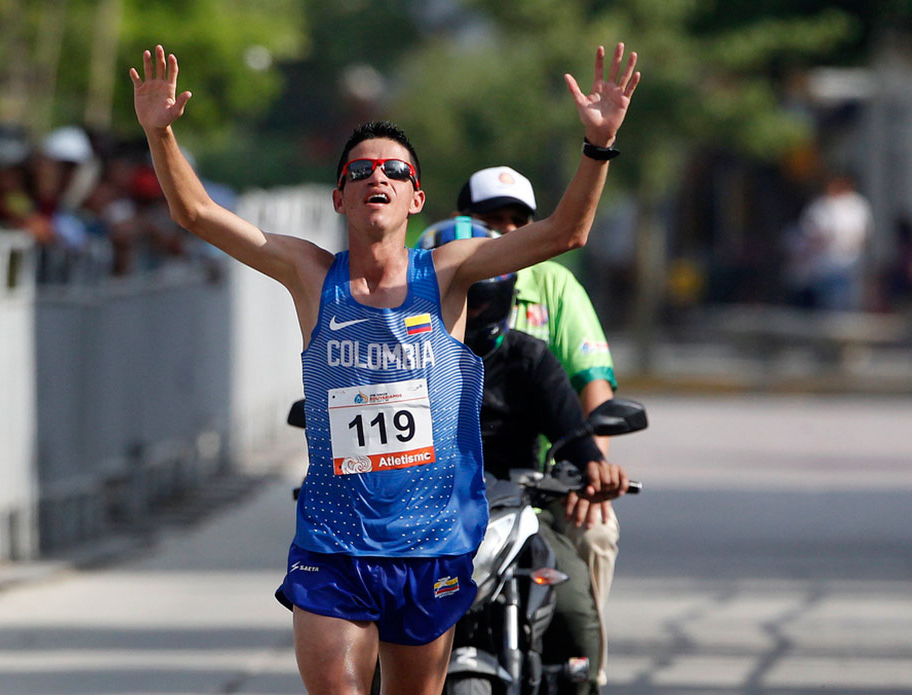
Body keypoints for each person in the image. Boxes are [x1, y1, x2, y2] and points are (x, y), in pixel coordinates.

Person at [130, 41, 639, 695]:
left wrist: (598, 145)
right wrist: (160, 133)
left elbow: (566, 232)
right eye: (362, 170)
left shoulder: (451, 273)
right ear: (340, 196)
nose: (379, 178)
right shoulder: (310, 274)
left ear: (416, 197)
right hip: (333, 544)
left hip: (430, 544)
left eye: (395, 171)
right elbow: (196, 213)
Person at [457, 165, 619, 688]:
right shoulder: (416, 299)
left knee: (592, 539)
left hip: (534, 490)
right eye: (489, 221)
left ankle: (583, 676)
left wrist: (592, 469)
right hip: (423, 495)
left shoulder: (549, 305)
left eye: (516, 222)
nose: (504, 233)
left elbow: (591, 386)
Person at [790, 172, 873, 311]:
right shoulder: (819, 207)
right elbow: (810, 236)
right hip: (823, 267)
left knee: (844, 306)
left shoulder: (857, 205)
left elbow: (863, 236)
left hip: (850, 266)